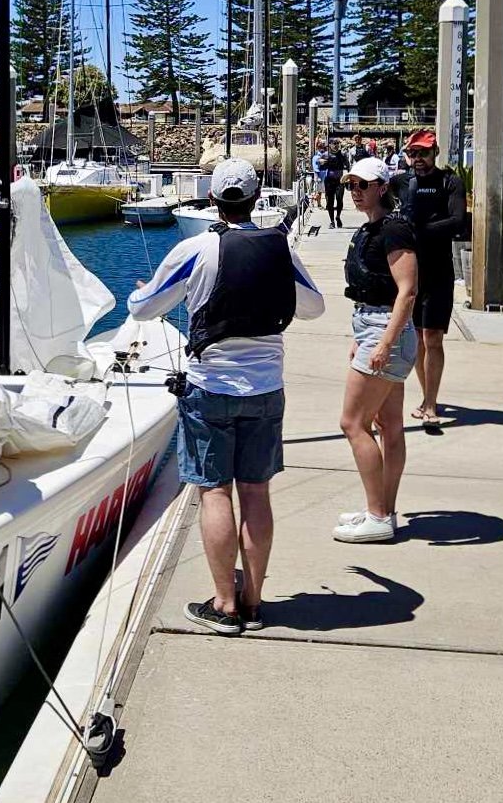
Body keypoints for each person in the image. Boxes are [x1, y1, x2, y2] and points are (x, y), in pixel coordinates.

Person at [128, 157, 325, 633]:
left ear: (212, 199)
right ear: (257, 200)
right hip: (265, 388)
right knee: (256, 493)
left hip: (209, 387)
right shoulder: (279, 251)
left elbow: (143, 309)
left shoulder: (194, 250)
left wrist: (142, 292)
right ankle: (254, 602)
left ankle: (223, 605)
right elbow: (314, 308)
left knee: (215, 492)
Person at [334, 156, 418, 543]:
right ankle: (383, 508)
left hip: (387, 332)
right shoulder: (372, 229)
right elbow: (377, 290)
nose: (355, 191)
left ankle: (378, 515)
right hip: (374, 326)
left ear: (382, 187)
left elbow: (408, 291)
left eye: (362, 185)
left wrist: (383, 342)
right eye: (351, 185)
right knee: (389, 425)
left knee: (353, 423)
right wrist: (361, 335)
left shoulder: (394, 229)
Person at [390, 128, 468, 433]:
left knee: (433, 337)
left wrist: (419, 231)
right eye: (413, 153)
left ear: (435, 153)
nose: (418, 159)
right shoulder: (401, 182)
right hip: (408, 271)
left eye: (423, 153)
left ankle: (431, 404)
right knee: (418, 339)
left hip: (438, 271)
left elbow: (458, 222)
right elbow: (375, 198)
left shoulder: (450, 182)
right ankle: (425, 398)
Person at [322, 140, 347, 227]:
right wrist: (322, 163)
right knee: (330, 202)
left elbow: (348, 166)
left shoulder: (343, 154)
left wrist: (349, 177)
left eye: (337, 143)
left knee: (339, 199)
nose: (336, 145)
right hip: (329, 180)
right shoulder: (326, 154)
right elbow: (321, 167)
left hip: (340, 180)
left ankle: (338, 216)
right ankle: (332, 221)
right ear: (330, 145)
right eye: (334, 144)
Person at [310, 138, 329, 208]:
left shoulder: (327, 154)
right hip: (319, 176)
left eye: (323, 147)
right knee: (318, 192)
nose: (323, 148)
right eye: (321, 147)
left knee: (327, 191)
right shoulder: (316, 156)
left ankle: (328, 205)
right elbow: (317, 166)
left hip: (326, 174)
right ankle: (318, 204)